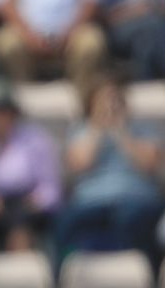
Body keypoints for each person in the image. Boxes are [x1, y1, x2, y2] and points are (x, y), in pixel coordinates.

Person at [56, 73, 164, 274]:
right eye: (103, 101)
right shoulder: (80, 131)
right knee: (65, 224)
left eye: (114, 99)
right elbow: (79, 163)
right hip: (91, 202)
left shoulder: (143, 129)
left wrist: (121, 132)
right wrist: (98, 129)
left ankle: (148, 275)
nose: (109, 106)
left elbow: (149, 163)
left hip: (137, 200)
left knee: (131, 219)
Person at [0, 77, 61, 255]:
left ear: (13, 113)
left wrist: (35, 202)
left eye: (2, 112)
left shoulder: (35, 141)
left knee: (20, 229)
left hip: (27, 206)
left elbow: (51, 190)